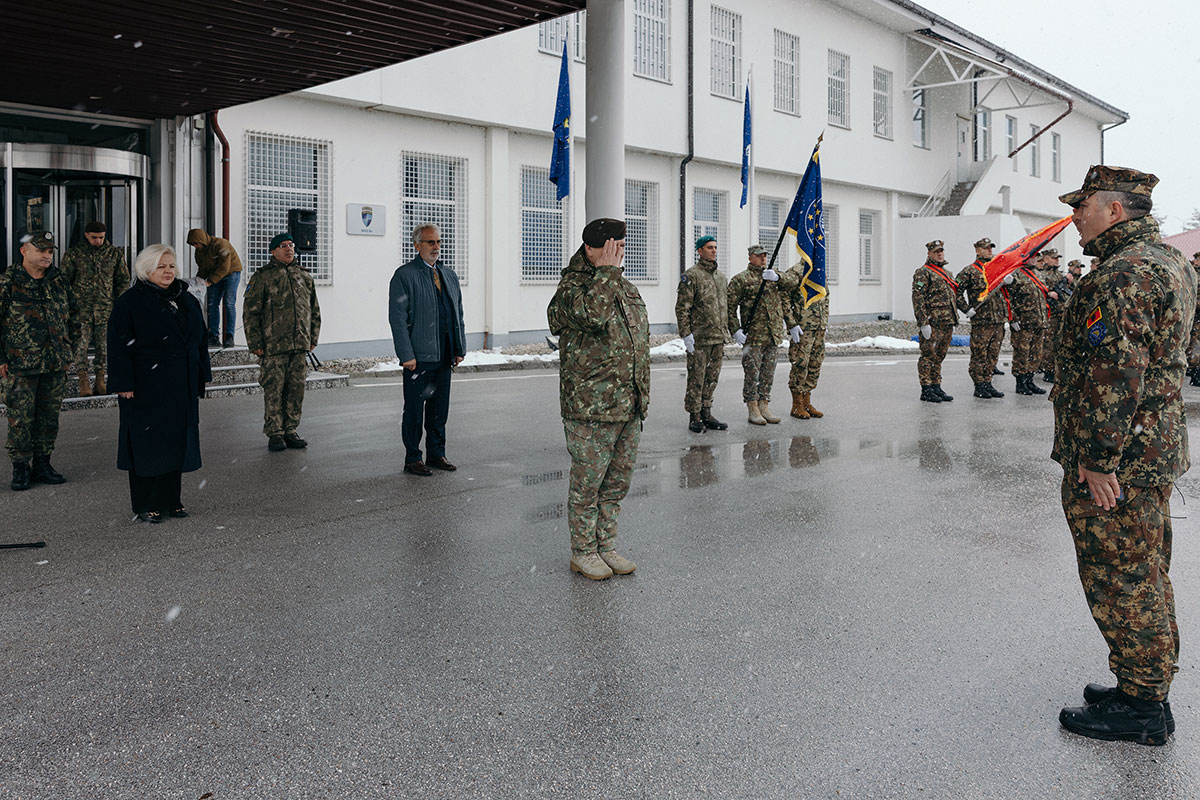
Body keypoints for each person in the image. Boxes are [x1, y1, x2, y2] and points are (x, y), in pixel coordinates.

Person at [1053, 165, 1195, 745]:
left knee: (1121, 576)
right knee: (1146, 568)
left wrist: (1097, 459)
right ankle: (1143, 687)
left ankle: (1140, 707)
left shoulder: (1122, 273)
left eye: (1083, 205)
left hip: (1122, 458)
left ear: (1114, 210)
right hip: (1153, 448)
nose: (1074, 216)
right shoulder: (1171, 262)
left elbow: (1117, 373)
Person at [547, 218, 648, 580]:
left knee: (616, 484)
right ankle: (583, 551)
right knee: (588, 485)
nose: (621, 252)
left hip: (627, 403)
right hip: (590, 408)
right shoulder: (573, 287)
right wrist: (606, 274)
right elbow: (593, 315)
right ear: (595, 248)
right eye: (615, 245)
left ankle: (606, 545)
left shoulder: (620, 284)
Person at [108, 245, 212, 523]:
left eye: (171, 266)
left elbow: (199, 339)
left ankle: (171, 499)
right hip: (145, 385)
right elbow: (118, 345)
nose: (168, 271)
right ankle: (146, 504)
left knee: (176, 442)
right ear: (146, 270)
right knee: (148, 445)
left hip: (181, 383)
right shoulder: (130, 302)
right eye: (161, 266)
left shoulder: (185, 298)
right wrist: (123, 382)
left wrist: (202, 374)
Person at [0, 231, 78, 491]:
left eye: (50, 251)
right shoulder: (8, 281)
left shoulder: (59, 280)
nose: (47, 255)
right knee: (20, 417)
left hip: (55, 362)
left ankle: (43, 464)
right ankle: (21, 467)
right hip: (20, 363)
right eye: (41, 250)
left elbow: (74, 317)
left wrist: (70, 351)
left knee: (48, 416)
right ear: (24, 251)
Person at [389, 224, 465, 476]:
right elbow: (397, 319)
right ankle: (413, 457)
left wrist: (459, 347)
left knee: (439, 409)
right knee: (414, 409)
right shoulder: (405, 275)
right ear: (417, 245)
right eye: (430, 242)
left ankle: (436, 453)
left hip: (443, 354)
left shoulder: (449, 275)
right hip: (419, 357)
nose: (435, 247)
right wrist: (406, 355)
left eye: (438, 242)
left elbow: (458, 314)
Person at [243, 232, 321, 451]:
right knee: (274, 390)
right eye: (283, 246)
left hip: (299, 346)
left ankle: (291, 430)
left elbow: (314, 310)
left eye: (291, 245)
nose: (289, 249)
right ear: (273, 251)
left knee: (296, 390)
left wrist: (312, 338)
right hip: (273, 346)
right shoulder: (263, 277)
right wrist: (255, 342)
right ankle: (275, 433)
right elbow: (251, 312)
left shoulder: (304, 276)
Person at [60, 221, 129, 397]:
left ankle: (100, 380)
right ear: (86, 235)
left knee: (104, 346)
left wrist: (120, 304)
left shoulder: (114, 254)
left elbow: (122, 280)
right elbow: (64, 282)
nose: (98, 241)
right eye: (94, 238)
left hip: (106, 309)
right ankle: (83, 380)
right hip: (80, 310)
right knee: (80, 346)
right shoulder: (74, 254)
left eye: (101, 237)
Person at [726, 245, 793, 425]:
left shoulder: (772, 276)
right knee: (752, 373)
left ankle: (764, 405)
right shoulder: (740, 279)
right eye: (759, 256)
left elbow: (793, 282)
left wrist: (777, 277)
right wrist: (735, 330)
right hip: (753, 336)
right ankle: (753, 407)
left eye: (764, 256)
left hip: (772, 334)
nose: (763, 259)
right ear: (750, 258)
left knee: (768, 373)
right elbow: (729, 308)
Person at [675, 235, 729, 432]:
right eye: (709, 247)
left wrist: (731, 330)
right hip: (700, 337)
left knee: (712, 377)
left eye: (715, 247)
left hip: (718, 337)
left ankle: (706, 411)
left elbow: (726, 307)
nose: (714, 250)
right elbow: (683, 308)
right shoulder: (692, 276)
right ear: (700, 251)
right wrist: (686, 334)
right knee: (697, 378)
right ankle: (694, 415)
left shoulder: (721, 278)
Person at [955, 237, 1006, 399]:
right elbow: (955, 291)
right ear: (978, 250)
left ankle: (988, 382)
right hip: (981, 321)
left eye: (991, 247)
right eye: (986, 248)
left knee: (993, 354)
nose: (990, 250)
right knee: (979, 354)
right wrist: (966, 309)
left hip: (998, 320)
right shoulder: (969, 271)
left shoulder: (996, 270)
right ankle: (979, 385)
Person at [911, 240, 958, 402]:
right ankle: (926, 389)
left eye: (941, 251)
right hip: (933, 322)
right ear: (929, 253)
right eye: (936, 251)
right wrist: (923, 322)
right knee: (928, 356)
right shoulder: (923, 273)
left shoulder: (947, 273)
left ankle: (936, 386)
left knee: (939, 356)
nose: (940, 253)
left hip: (947, 322)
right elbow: (918, 298)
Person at [783, 265, 829, 419]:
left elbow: (825, 297)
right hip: (803, 328)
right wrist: (792, 324)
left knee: (815, 364)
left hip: (818, 328)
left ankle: (806, 401)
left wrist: (824, 322)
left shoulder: (820, 271)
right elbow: (785, 298)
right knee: (800, 363)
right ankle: (796, 404)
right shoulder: (796, 271)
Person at [186, 228, 244, 347]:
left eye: (196, 243)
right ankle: (213, 336)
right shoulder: (199, 251)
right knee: (212, 304)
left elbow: (225, 266)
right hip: (215, 275)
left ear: (201, 240)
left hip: (231, 273)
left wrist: (210, 281)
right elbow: (203, 268)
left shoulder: (221, 244)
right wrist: (198, 281)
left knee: (229, 303)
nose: (195, 246)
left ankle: (229, 336)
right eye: (193, 244)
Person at [1005, 255, 1050, 395]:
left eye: (1037, 257)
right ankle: (1020, 382)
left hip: (1038, 321)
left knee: (1036, 353)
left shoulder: (1038, 274)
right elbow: (1009, 299)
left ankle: (1030, 380)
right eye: (1033, 256)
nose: (1036, 259)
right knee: (1022, 352)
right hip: (1024, 322)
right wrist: (1013, 318)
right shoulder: (1016, 274)